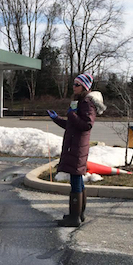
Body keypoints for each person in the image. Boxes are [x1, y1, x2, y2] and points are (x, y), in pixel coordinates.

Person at [48, 73, 106, 227]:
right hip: (74, 144)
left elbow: (87, 124)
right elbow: (71, 124)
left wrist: (72, 115)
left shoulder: (87, 102)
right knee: (77, 178)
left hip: (78, 145)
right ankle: (78, 213)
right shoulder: (79, 101)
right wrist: (57, 119)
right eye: (73, 84)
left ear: (84, 87)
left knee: (75, 179)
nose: (73, 87)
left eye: (77, 85)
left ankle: (74, 217)